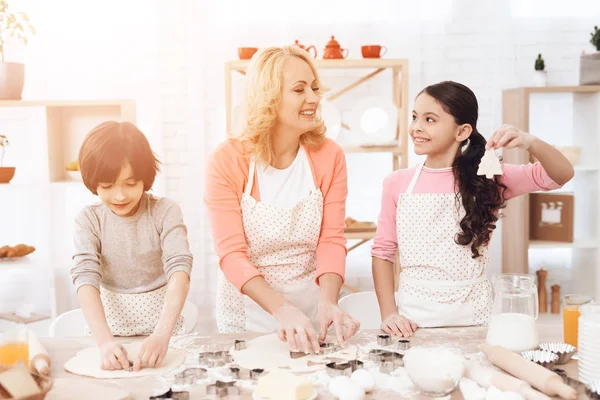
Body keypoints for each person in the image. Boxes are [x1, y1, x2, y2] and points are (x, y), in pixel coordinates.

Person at [371, 81, 574, 336]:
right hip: (413, 322)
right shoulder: (396, 183)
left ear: (462, 131)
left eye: (430, 119)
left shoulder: (488, 178)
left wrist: (529, 141)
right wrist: (389, 313)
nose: (416, 127)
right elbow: (383, 252)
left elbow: (562, 174)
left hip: (475, 320)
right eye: (414, 117)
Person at [204, 46, 359, 354]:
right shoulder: (228, 160)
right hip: (248, 311)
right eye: (299, 90)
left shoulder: (329, 156)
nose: (314, 99)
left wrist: (328, 302)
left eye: (314, 88)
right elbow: (232, 255)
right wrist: (281, 310)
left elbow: (330, 240)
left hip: (310, 309)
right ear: (269, 98)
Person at [71, 121, 193, 370]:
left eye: (130, 183)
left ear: (145, 178)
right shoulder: (89, 219)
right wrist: (105, 343)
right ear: (92, 182)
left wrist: (161, 336)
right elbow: (85, 278)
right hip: (109, 336)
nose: (119, 195)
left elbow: (180, 269)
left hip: (165, 334)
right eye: (107, 186)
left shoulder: (165, 211)